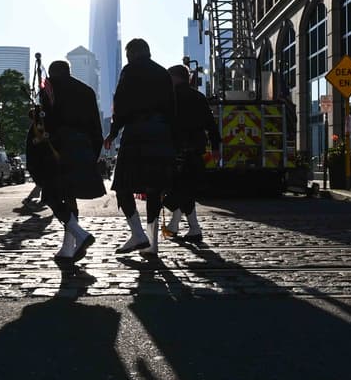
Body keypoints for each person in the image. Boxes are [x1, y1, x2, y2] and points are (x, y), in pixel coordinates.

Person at [105, 38, 176, 256]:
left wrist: (114, 131)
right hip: (161, 133)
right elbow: (173, 109)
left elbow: (121, 104)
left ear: (131, 54)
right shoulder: (163, 73)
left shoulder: (130, 71)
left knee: (123, 187)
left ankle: (137, 234)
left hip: (136, 133)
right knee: (154, 189)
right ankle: (152, 243)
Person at [41, 59, 105, 264]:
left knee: (51, 195)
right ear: (69, 71)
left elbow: (45, 123)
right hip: (84, 148)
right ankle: (68, 248)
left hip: (58, 148)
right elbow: (97, 128)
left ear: (52, 73)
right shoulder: (87, 91)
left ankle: (80, 233)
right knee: (69, 198)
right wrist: (92, 155)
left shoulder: (49, 89)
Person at [163, 64, 222, 243]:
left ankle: (186, 226)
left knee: (177, 191)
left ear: (174, 78)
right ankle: (191, 228)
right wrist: (216, 147)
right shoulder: (198, 97)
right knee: (186, 190)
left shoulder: (169, 98)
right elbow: (211, 125)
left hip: (175, 151)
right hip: (195, 151)